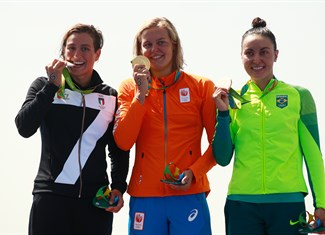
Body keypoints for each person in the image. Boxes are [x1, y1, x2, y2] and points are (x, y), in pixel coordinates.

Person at [212, 17, 325, 235]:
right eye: (249, 53)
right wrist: (223, 113)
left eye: (264, 52)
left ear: (276, 54)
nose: (257, 59)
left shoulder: (299, 96)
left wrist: (321, 203)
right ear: (241, 56)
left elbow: (313, 155)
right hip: (241, 204)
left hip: (287, 204)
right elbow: (223, 158)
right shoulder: (234, 99)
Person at [15, 23, 129, 235]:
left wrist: (119, 186)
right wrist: (51, 87)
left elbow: (118, 148)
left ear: (97, 54)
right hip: (50, 198)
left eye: (85, 48)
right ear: (63, 53)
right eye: (71, 48)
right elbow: (24, 127)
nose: (77, 54)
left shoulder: (111, 96)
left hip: (95, 202)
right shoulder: (44, 85)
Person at [113, 17, 217, 235]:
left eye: (161, 42)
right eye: (147, 45)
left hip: (189, 193)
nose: (154, 49)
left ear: (174, 45)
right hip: (145, 196)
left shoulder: (202, 86)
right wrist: (141, 95)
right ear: (140, 51)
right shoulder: (129, 88)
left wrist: (194, 172)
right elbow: (123, 141)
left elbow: (218, 145)